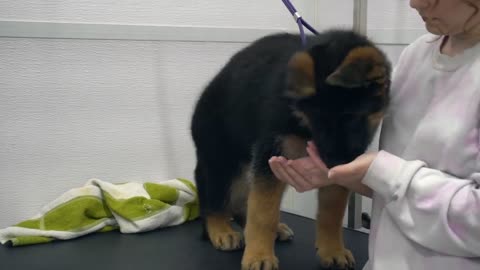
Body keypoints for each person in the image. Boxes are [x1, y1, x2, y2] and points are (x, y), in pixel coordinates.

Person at [268, 0, 480, 269]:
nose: (415, 3)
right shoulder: (417, 55)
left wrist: (381, 170)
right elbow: (402, 196)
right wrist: (343, 174)